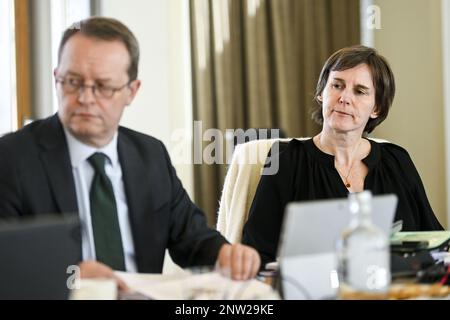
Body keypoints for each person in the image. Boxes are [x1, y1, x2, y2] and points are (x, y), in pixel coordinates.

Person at [0, 17, 260, 287]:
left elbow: (191, 237)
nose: (85, 98)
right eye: (73, 82)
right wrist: (69, 275)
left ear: (131, 91)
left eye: (102, 86)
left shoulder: (150, 155)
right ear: (57, 78)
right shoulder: (12, 159)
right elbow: (6, 264)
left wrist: (225, 253)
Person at [242, 45, 443, 266]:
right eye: (337, 85)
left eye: (360, 91)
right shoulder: (285, 160)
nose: (344, 98)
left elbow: (436, 242)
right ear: (321, 93)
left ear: (376, 107)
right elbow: (256, 253)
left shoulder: (397, 160)